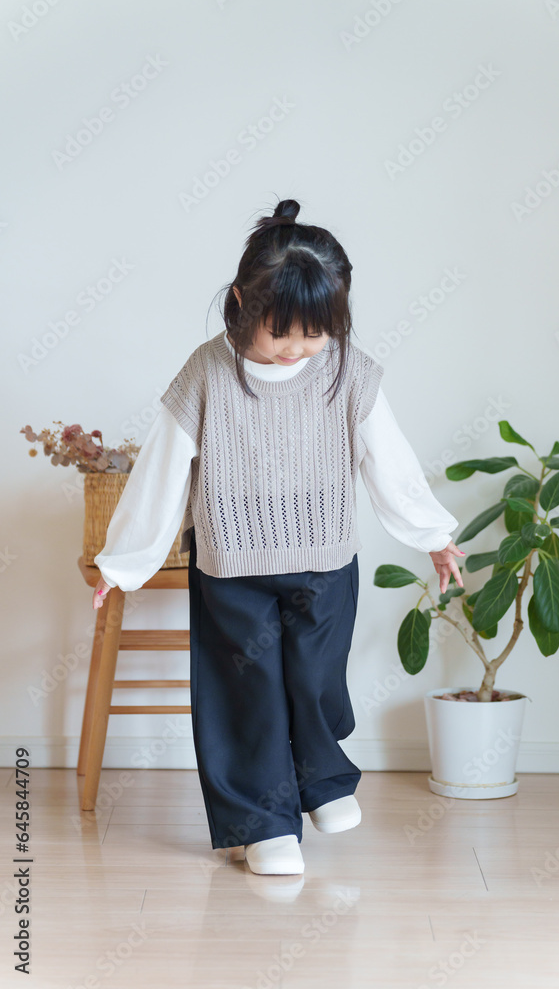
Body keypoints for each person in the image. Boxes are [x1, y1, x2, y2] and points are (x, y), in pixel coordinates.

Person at [92, 197, 465, 875]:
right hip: (231, 564)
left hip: (324, 558)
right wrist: (123, 564)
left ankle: (321, 778)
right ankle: (264, 828)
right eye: (281, 333)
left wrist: (432, 533)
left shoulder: (348, 370)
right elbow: (162, 471)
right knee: (247, 694)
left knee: (316, 680)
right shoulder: (207, 372)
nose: (297, 349)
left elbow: (389, 458)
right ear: (241, 303)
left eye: (315, 334)